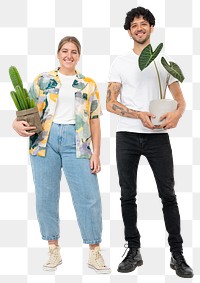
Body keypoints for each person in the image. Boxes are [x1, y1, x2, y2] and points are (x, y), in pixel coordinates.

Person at [106, 7, 193, 278]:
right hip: (127, 136)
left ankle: (177, 255)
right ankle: (134, 250)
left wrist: (177, 116)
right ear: (129, 30)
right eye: (134, 25)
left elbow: (181, 101)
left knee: (168, 195)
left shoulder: (163, 61)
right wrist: (137, 114)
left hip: (158, 138)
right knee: (127, 195)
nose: (139, 28)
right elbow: (110, 103)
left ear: (151, 28)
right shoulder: (120, 62)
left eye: (144, 24)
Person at [13, 36, 110, 274]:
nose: (69, 55)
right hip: (44, 141)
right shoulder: (42, 80)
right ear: (58, 54)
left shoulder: (88, 84)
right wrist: (15, 124)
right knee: (46, 196)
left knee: (89, 197)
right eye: (65, 51)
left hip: (78, 142)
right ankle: (53, 249)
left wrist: (97, 153)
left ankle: (94, 252)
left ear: (79, 56)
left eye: (74, 51)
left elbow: (94, 120)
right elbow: (25, 110)